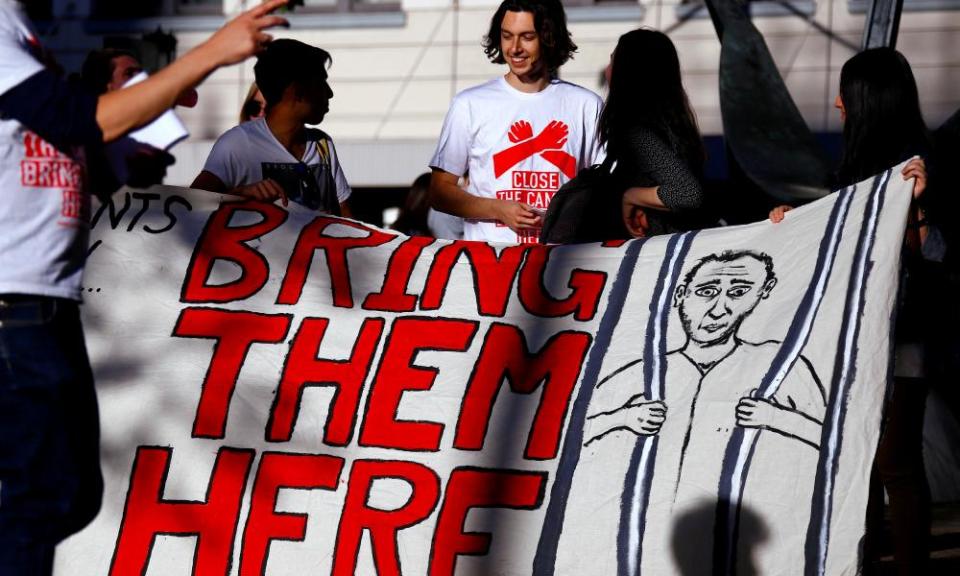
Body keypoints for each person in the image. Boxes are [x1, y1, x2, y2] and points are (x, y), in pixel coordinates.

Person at [0, 1, 290, 574]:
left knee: (72, 493)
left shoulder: (29, 36)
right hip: (15, 306)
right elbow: (79, 118)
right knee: (41, 496)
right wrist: (213, 53)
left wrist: (138, 133)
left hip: (47, 305)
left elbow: (86, 154)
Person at [769, 47, 938, 576]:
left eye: (848, 94)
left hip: (903, 337)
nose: (838, 104)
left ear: (868, 101)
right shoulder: (862, 171)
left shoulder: (920, 169)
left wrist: (922, 208)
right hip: (862, 338)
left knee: (894, 463)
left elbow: (934, 253)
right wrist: (795, 222)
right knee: (862, 463)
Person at [584, 250, 825, 575]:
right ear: (681, 294)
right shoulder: (646, 371)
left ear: (762, 294)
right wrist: (624, 418)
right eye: (707, 291)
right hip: (651, 539)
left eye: (739, 293)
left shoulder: (778, 364)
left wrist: (776, 418)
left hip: (745, 539)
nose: (720, 308)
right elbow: (570, 435)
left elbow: (837, 437)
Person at [427, 0, 603, 244]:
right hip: (492, 266)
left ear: (549, 37)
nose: (515, 48)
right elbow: (439, 192)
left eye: (527, 37)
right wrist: (498, 209)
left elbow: (605, 190)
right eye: (507, 36)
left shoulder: (586, 105)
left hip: (560, 266)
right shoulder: (469, 104)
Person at [540, 28, 707, 244]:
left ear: (628, 73)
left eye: (613, 61)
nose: (607, 70)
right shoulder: (673, 129)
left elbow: (687, 193)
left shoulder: (640, 133)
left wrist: (631, 196)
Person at [191, 39, 351, 216]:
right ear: (297, 91)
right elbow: (188, 208)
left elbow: (347, 219)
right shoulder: (236, 144)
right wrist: (238, 195)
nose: (329, 93)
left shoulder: (323, 144)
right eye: (322, 82)